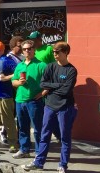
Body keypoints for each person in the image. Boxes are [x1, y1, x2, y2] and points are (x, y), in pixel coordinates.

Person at [23, 41, 78, 173]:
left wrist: (52, 86)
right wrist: (59, 85)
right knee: (44, 134)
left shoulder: (71, 70)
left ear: (65, 53)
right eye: (53, 52)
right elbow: (43, 84)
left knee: (64, 137)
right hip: (49, 106)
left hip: (65, 107)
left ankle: (63, 165)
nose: (55, 54)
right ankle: (39, 162)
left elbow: (66, 91)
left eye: (57, 52)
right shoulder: (50, 67)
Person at [11, 40, 47, 159]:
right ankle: (24, 149)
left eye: (29, 48)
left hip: (34, 101)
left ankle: (39, 152)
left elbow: (49, 83)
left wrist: (42, 93)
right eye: (25, 49)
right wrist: (19, 83)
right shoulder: (20, 65)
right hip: (20, 100)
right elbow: (13, 82)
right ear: (23, 51)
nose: (27, 51)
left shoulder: (41, 65)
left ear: (34, 50)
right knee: (22, 127)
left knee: (37, 128)